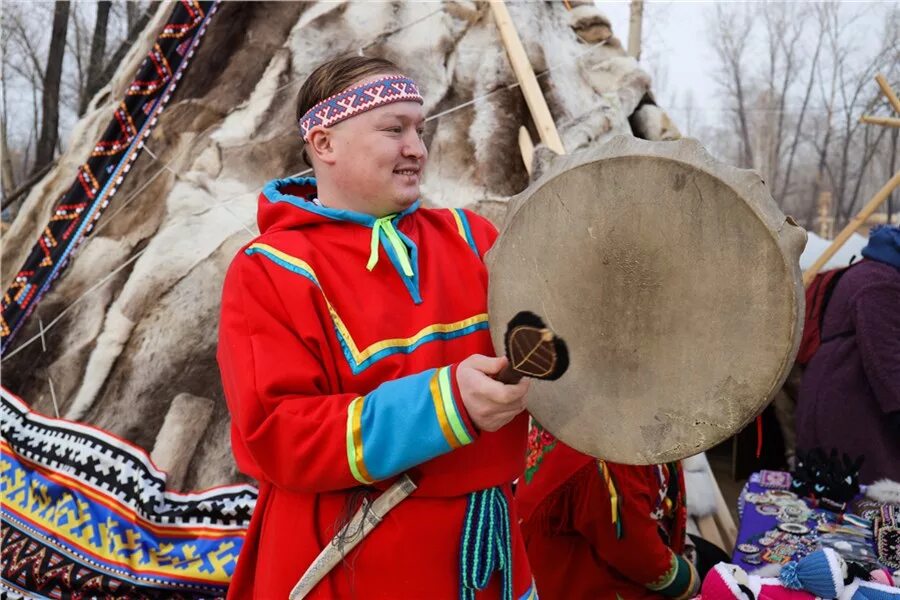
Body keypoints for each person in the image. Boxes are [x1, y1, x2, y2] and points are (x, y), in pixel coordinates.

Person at [217, 55, 535, 599]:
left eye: (419, 129)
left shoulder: (473, 238)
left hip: (488, 558)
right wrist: (445, 404)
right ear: (324, 144)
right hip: (356, 565)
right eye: (394, 130)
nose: (417, 148)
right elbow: (279, 435)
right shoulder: (269, 270)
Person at [515, 421, 704, 600]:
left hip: (607, 545)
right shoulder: (608, 455)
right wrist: (689, 581)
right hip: (581, 576)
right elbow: (636, 551)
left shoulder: (583, 418)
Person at [796, 224, 900, 484]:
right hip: (850, 418)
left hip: (843, 409)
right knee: (859, 504)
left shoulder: (873, 272)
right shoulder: (879, 283)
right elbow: (889, 369)